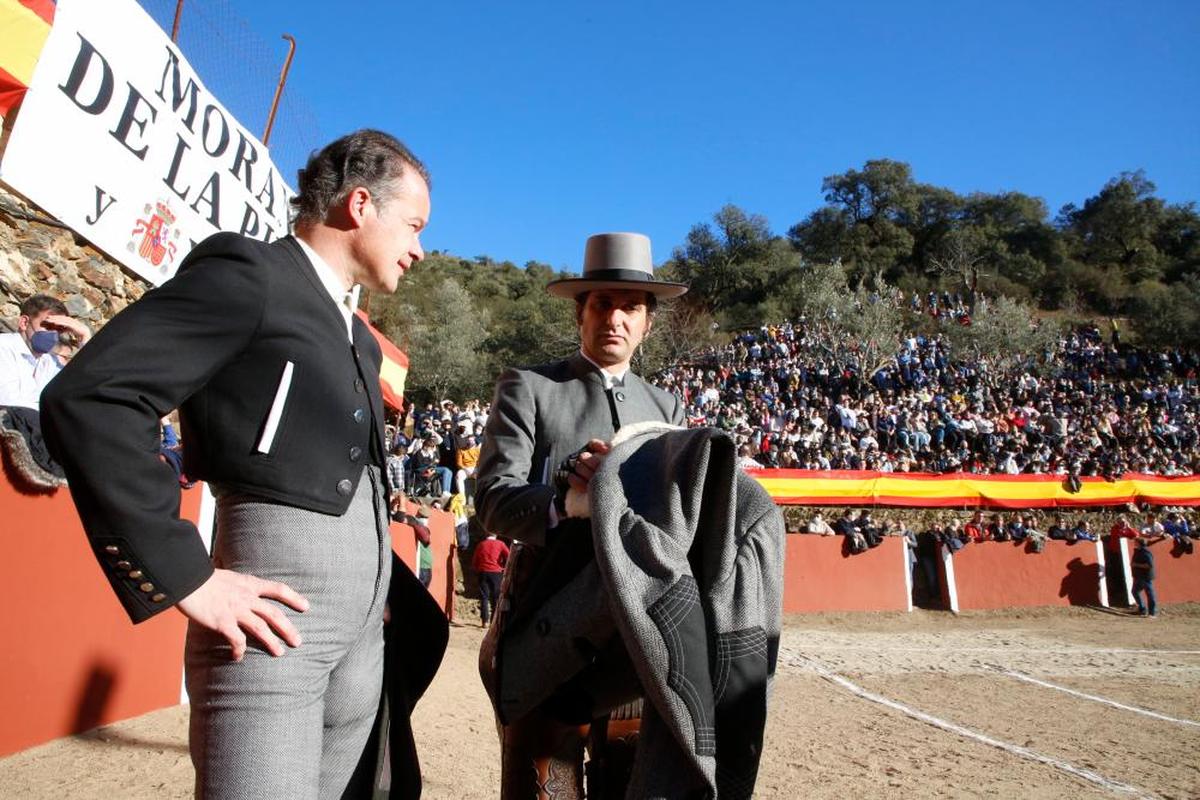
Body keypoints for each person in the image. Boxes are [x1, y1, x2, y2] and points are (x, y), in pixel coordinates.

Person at [40, 130, 446, 799]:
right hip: (272, 642)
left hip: (362, 649)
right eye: (414, 224)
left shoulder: (359, 340)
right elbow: (93, 396)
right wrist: (189, 577)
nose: (420, 248)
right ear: (361, 205)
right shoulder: (251, 275)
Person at [474, 231, 687, 798]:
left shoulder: (666, 407)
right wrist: (572, 501)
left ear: (647, 322)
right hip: (548, 615)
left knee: (631, 782)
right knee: (546, 786)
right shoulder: (532, 387)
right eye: (601, 304)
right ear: (580, 312)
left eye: (630, 307)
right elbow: (493, 499)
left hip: (636, 632)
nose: (615, 318)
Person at [0, 294, 91, 410]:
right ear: (24, 323)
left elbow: (79, 390)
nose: (53, 334)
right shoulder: (4, 347)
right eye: (48, 326)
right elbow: (9, 402)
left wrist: (85, 337)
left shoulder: (49, 361)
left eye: (59, 329)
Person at [472, 530, 510, 627]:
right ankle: (494, 621)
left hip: (483, 572)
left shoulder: (481, 545)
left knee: (484, 597)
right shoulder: (500, 544)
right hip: (496, 572)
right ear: (496, 535)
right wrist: (503, 566)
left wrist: (477, 570)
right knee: (496, 597)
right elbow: (508, 556)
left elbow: (475, 560)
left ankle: (484, 621)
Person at [1130, 536, 1157, 617]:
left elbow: (1149, 565)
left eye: (1135, 542)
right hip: (1139, 576)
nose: (1134, 543)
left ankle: (1152, 613)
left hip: (1145, 576)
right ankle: (1142, 609)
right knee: (1135, 591)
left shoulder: (1145, 552)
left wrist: (1136, 565)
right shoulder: (1139, 551)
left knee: (1149, 594)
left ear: (1139, 543)